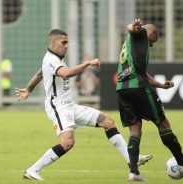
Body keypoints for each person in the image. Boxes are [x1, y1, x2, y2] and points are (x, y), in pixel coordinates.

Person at [14, 29, 152, 181]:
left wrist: (28, 89)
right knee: (67, 143)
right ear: (53, 42)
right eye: (63, 42)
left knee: (108, 122)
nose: (67, 46)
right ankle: (33, 170)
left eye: (67, 42)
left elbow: (40, 73)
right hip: (58, 107)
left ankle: (131, 159)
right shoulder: (51, 60)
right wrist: (87, 63)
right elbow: (65, 74)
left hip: (70, 106)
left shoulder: (55, 58)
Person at [116, 18, 183, 182]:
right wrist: (134, 27)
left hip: (123, 89)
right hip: (138, 88)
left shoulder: (131, 46)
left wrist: (160, 85)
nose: (152, 45)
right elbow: (132, 29)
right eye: (153, 40)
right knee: (163, 123)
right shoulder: (141, 33)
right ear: (150, 33)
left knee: (135, 130)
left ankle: (134, 173)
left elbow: (141, 73)